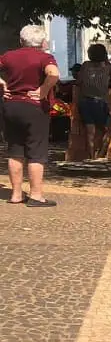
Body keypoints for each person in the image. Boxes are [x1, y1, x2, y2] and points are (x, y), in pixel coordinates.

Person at [0, 24, 61, 206]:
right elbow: (54, 74)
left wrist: (2, 83)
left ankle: (16, 195)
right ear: (42, 42)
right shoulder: (45, 57)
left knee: (15, 151)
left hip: (11, 107)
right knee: (36, 151)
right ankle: (36, 195)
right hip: (34, 108)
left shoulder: (9, 56)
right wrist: (43, 89)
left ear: (21, 41)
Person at [75, 43, 111, 159]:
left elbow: (78, 82)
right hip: (100, 102)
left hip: (84, 102)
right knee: (110, 127)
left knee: (90, 132)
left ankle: (91, 157)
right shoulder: (108, 66)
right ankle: (101, 154)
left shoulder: (85, 65)